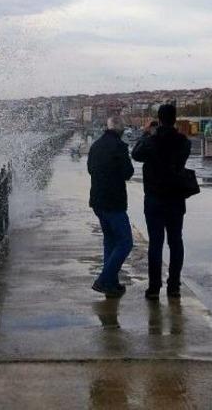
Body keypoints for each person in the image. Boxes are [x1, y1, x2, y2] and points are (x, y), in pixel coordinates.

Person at [131, 103, 191, 300]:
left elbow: (136, 154)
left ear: (159, 118)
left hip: (155, 198)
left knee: (155, 244)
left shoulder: (151, 140)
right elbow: (182, 156)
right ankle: (174, 286)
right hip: (175, 198)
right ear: (174, 119)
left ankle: (154, 288)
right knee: (176, 242)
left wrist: (146, 133)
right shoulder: (183, 141)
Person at [87, 115, 134, 298]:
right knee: (125, 242)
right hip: (114, 201)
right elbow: (128, 173)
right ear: (121, 130)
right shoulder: (119, 147)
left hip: (97, 200)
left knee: (110, 241)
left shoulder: (96, 145)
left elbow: (90, 169)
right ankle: (104, 280)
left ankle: (112, 283)